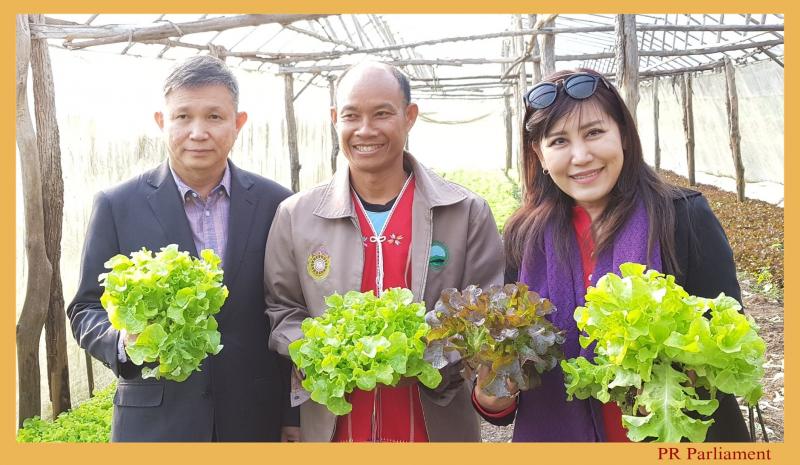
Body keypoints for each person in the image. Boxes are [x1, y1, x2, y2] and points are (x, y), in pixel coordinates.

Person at [472, 68, 751, 442]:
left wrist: (674, 368)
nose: (581, 156)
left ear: (624, 134)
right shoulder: (524, 236)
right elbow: (502, 395)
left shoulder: (684, 218)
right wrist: (492, 392)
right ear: (539, 154)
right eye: (559, 141)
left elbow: (728, 345)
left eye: (594, 133)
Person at [264, 62, 504, 442]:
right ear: (335, 119)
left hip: (436, 425)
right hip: (335, 428)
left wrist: (430, 357)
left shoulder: (464, 212)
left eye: (382, 113)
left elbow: (486, 315)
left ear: (409, 117)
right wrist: (324, 353)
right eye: (351, 116)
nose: (365, 130)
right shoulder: (297, 216)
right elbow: (283, 308)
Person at [67, 55, 298, 442]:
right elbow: (85, 307)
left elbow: (291, 310)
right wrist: (123, 343)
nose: (198, 132)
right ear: (162, 121)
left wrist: (293, 415)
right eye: (183, 117)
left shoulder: (277, 203)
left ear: (238, 123)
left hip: (253, 421)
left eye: (214, 116)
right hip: (156, 424)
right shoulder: (117, 205)